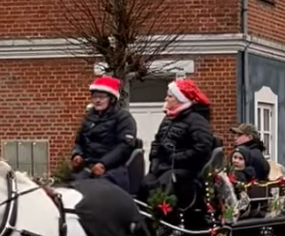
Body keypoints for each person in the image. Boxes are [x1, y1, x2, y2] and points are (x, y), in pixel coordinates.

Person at [138, 79, 218, 208]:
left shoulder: (197, 120)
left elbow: (203, 148)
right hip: (163, 166)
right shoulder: (168, 119)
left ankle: (164, 216)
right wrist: (154, 159)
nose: (166, 99)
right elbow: (157, 141)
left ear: (180, 99)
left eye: (170, 96)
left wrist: (177, 158)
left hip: (186, 171)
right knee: (146, 183)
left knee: (166, 183)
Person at [71, 76, 138, 192]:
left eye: (101, 97)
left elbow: (125, 146)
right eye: (95, 97)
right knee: (71, 192)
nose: (97, 100)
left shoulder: (123, 118)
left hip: (113, 169)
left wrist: (103, 164)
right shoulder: (89, 117)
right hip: (88, 168)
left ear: (112, 99)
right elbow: (79, 141)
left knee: (98, 193)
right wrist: (77, 154)